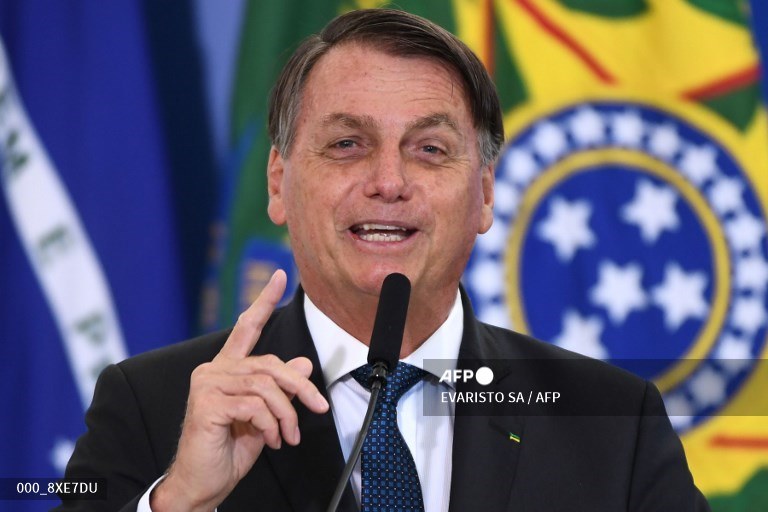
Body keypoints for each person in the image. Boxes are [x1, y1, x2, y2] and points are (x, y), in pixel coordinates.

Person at [57, 8, 710, 512]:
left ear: (484, 194)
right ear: (278, 183)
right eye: (347, 144)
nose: (389, 182)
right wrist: (179, 502)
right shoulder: (152, 407)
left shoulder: (611, 423)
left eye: (430, 149)